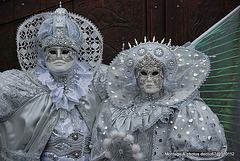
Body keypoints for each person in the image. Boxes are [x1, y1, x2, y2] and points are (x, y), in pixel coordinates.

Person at [90, 39, 227, 160]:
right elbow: (101, 152)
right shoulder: (113, 109)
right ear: (135, 76)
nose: (149, 79)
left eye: (155, 73)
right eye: (143, 73)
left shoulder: (186, 108)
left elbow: (206, 152)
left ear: (165, 75)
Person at [0, 6, 107, 161]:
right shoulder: (26, 83)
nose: (58, 57)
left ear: (76, 54)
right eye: (52, 52)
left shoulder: (93, 81)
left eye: (65, 52)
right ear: (44, 53)